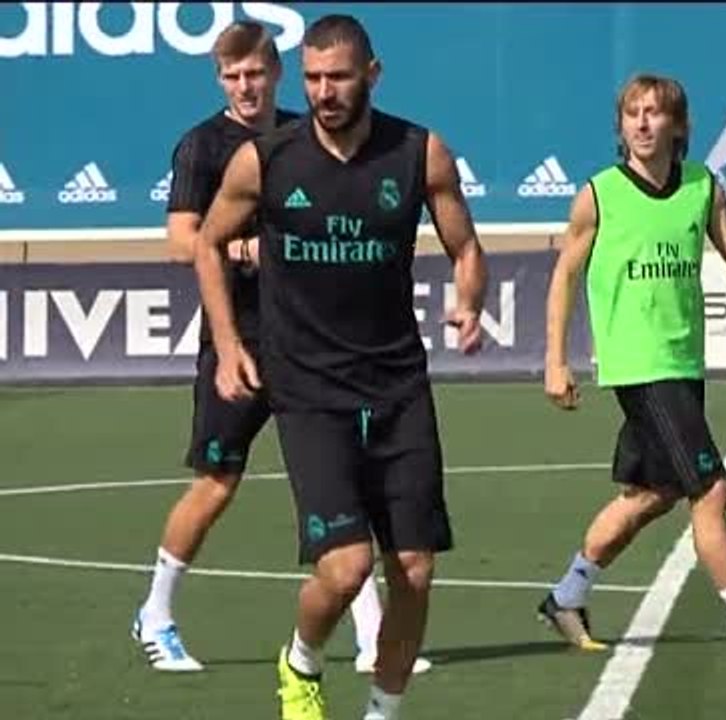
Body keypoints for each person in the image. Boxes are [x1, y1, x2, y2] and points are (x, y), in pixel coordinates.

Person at [192, 14, 486, 720]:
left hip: (398, 387)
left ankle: (381, 712)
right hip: (309, 390)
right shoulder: (267, 159)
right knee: (347, 566)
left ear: (372, 75)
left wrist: (468, 300)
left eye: (339, 77)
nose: (324, 91)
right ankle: (301, 660)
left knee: (414, 570)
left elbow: (467, 248)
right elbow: (208, 243)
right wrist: (230, 346)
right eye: (314, 77)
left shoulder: (420, 154)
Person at [130, 20, 426, 677]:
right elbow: (183, 240)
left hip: (319, 347)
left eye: (255, 74)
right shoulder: (203, 147)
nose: (245, 86)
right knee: (216, 482)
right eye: (232, 76)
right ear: (219, 80)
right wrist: (246, 250)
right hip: (239, 343)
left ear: (276, 74)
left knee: (350, 487)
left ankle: (373, 637)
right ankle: (155, 611)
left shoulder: (308, 136)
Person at [539, 73, 726, 657]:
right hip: (639, 367)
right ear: (620, 126)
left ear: (678, 125)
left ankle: (565, 597)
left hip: (684, 360)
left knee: (652, 494)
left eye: (654, 113)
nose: (643, 123)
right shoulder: (599, 195)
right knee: (711, 490)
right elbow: (564, 274)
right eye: (632, 114)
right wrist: (555, 361)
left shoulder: (702, 187)